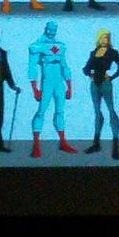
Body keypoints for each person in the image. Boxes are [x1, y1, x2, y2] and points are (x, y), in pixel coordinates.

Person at [28, 22, 77, 158]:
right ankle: (36, 144)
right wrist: (35, 88)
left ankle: (63, 141)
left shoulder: (60, 45)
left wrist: (69, 86)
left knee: (60, 111)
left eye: (54, 30)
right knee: (41, 111)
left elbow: (65, 66)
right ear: (46, 29)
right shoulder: (37, 46)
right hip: (47, 83)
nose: (52, 32)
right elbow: (32, 67)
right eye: (50, 30)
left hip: (59, 82)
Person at [82, 29, 119, 159]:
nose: (104, 40)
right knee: (97, 112)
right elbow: (86, 68)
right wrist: (90, 74)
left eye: (106, 38)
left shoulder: (112, 52)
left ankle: (115, 146)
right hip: (94, 84)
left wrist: (112, 76)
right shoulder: (93, 52)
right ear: (98, 39)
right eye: (102, 37)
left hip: (105, 83)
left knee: (111, 110)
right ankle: (96, 143)